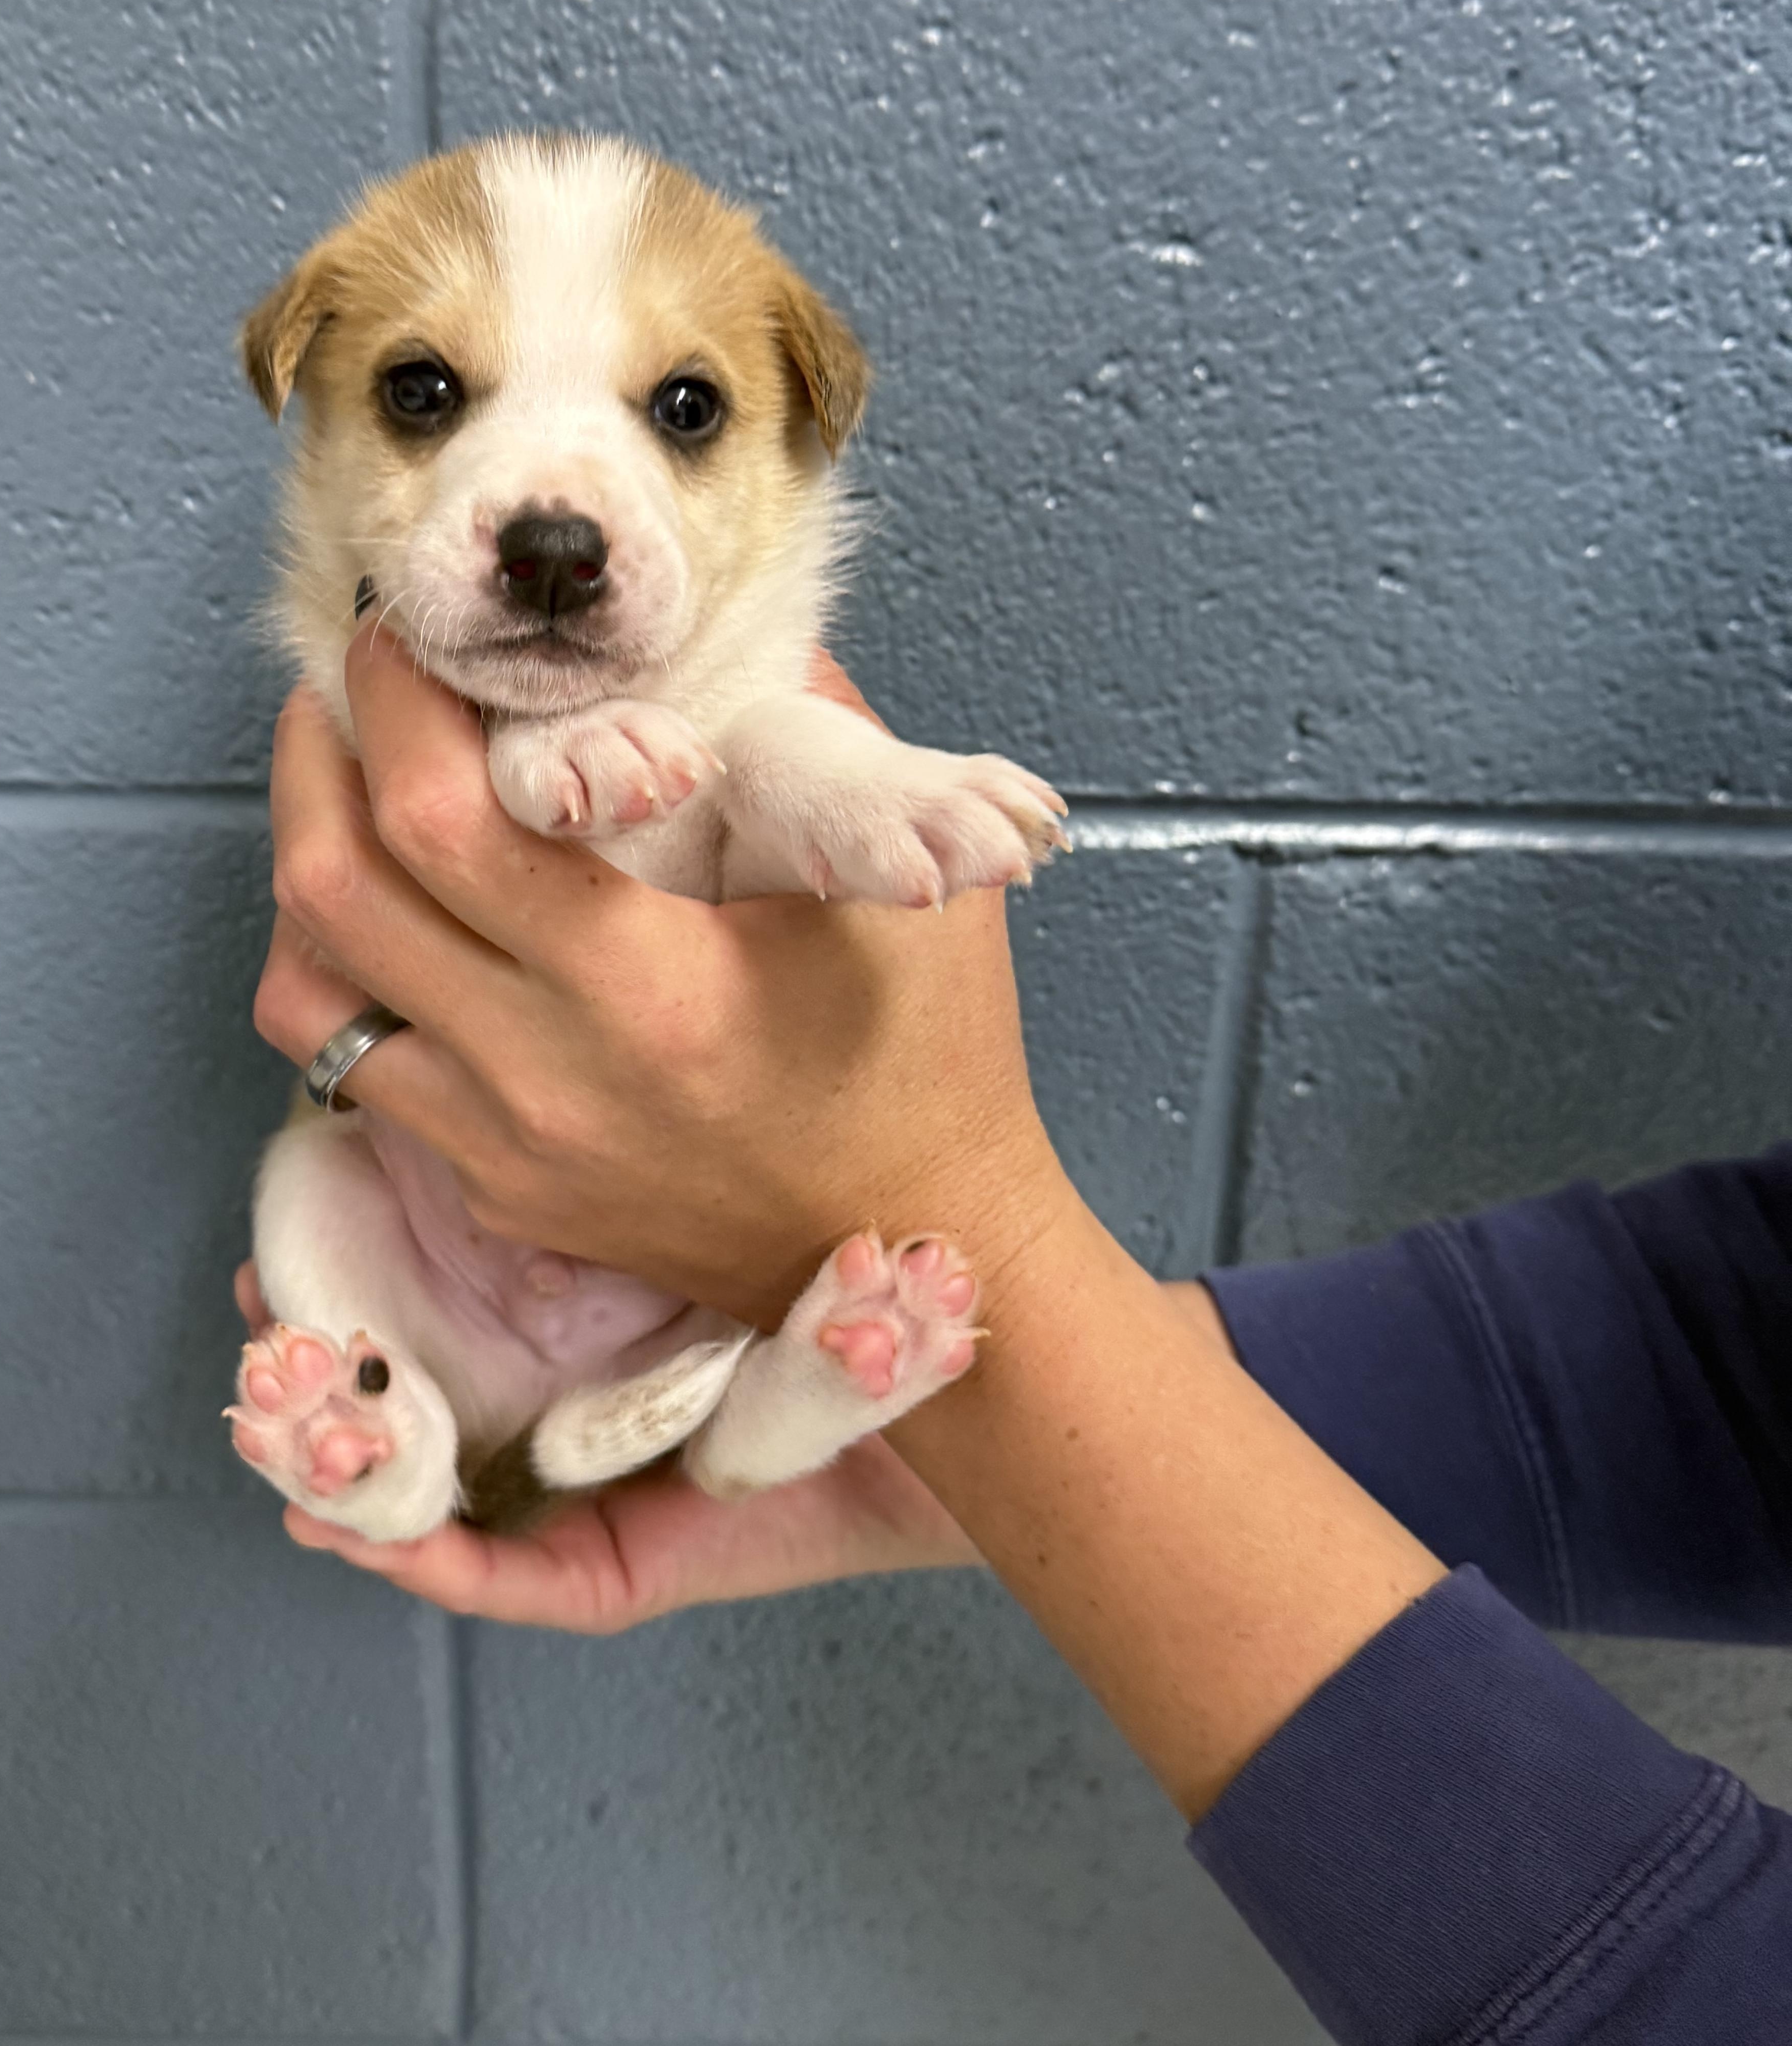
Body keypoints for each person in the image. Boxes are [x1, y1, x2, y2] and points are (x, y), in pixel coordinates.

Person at [242, 625, 1792, 2046]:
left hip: (709, 1386)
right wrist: (976, 1438)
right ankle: (406, 1452)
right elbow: (1726, 1352)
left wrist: (993, 1289)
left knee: (749, 1368)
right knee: (324, 1213)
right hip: (489, 1321)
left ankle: (651, 1413)